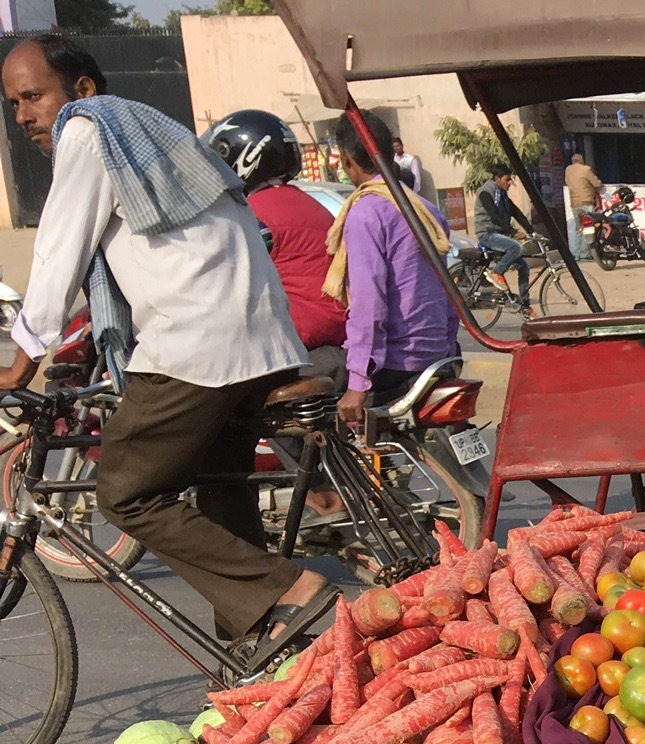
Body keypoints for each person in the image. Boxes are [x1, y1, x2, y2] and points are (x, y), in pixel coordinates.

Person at [0, 33, 328, 652]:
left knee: (125, 493)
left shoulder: (88, 128)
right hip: (261, 339)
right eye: (14, 104)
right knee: (219, 482)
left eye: (33, 96)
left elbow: (59, 249)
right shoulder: (152, 130)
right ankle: (255, 648)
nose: (23, 117)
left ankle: (289, 588)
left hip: (197, 341)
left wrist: (22, 360)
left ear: (82, 89)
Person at [323, 110, 460, 430]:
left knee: (310, 377)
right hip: (436, 357)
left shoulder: (366, 212)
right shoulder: (424, 208)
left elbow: (369, 304)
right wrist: (449, 353)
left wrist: (358, 384)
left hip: (397, 365)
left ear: (346, 159)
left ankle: (322, 480)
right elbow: (447, 292)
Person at [201, 109, 348, 390]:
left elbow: (219, 279)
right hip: (335, 336)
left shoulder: (253, 217)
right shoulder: (310, 204)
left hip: (295, 346)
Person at [472, 164, 532, 312]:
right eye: (507, 179)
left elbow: (515, 212)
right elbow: (494, 215)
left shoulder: (502, 194)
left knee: (524, 266)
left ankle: (525, 306)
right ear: (497, 179)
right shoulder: (486, 192)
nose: (509, 183)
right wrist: (512, 232)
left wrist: (531, 231)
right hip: (487, 234)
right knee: (516, 247)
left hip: (499, 234)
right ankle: (497, 272)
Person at [563, 150, 603, 259]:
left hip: (575, 203)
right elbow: (597, 183)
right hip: (587, 202)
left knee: (579, 229)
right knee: (589, 229)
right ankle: (585, 254)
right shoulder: (586, 169)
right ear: (582, 161)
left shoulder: (568, 170)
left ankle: (576, 254)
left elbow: (567, 182)